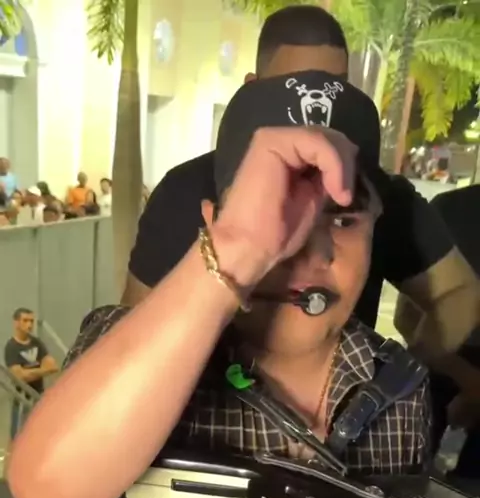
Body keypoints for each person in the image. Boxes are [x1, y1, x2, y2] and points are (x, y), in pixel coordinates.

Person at [7, 71, 432, 498]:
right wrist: (237, 248)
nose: (307, 252)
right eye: (276, 211)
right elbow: (48, 495)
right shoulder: (129, 351)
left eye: (344, 221)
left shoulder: (402, 391)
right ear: (212, 221)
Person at [125, 4, 480, 416]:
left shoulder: (380, 194)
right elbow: (133, 329)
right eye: (292, 85)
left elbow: (459, 293)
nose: (319, 105)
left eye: (334, 86)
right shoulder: (186, 188)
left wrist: (396, 380)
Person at [417, 185, 480, 476]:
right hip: (439, 364)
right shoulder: (448, 208)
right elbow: (409, 317)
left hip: (438, 361)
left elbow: (408, 318)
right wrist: (471, 383)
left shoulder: (448, 206)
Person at [4, 308, 59, 439]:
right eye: (25, 321)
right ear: (16, 323)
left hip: (38, 395)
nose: (29, 325)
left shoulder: (36, 342)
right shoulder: (11, 347)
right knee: (18, 436)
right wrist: (43, 370)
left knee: (39, 433)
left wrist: (28, 372)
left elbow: (53, 366)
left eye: (31, 321)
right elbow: (19, 376)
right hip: (22, 398)